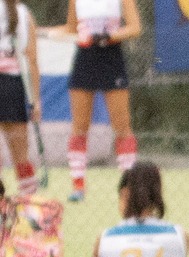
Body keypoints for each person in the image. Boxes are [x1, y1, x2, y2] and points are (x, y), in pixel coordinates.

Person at [59, 0, 138, 202]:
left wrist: (109, 36)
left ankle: (128, 187)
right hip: (85, 59)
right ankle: (78, 186)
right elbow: (71, 28)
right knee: (79, 127)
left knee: (122, 127)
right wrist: (40, 31)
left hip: (111, 58)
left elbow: (135, 27)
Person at [0, 0, 37, 196]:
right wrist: (35, 100)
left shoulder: (20, 12)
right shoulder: (22, 12)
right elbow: (31, 58)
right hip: (12, 87)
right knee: (21, 157)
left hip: (9, 84)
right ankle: (29, 207)